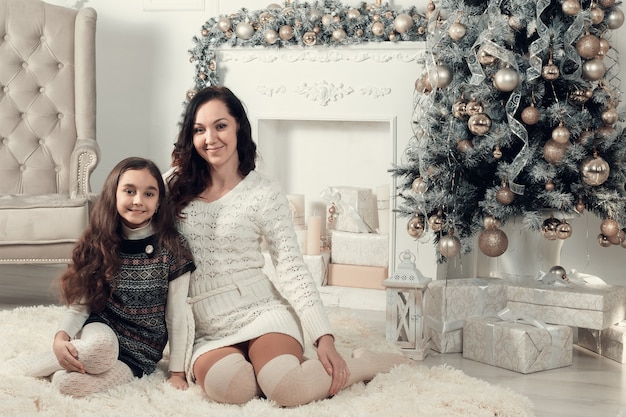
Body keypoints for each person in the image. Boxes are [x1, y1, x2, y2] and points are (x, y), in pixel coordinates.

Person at [166, 86, 411, 407]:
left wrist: (324, 337)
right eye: (199, 130)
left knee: (286, 390)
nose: (210, 138)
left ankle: (365, 362)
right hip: (207, 328)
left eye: (220, 125)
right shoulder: (174, 186)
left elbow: (292, 268)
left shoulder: (264, 192)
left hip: (261, 312)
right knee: (232, 387)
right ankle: (262, 370)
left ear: (239, 126)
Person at [7, 157, 196, 397]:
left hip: (141, 351)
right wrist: (60, 338)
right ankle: (37, 362)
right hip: (103, 328)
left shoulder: (173, 248)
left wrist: (177, 372)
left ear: (159, 202)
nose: (138, 201)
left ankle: (66, 364)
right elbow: (81, 306)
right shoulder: (100, 241)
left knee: (67, 386)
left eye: (149, 194)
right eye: (129, 191)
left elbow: (176, 314)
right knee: (101, 349)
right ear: (114, 194)